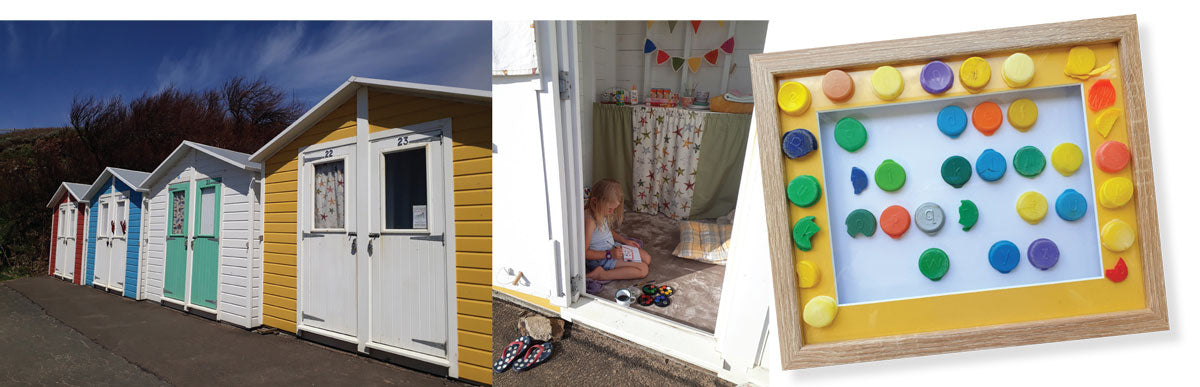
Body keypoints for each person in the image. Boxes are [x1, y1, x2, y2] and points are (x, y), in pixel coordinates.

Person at [584, 178, 651, 281]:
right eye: (610, 209)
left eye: (614, 209)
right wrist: (609, 254)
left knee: (647, 258)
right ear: (595, 201)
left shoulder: (600, 211)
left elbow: (607, 231)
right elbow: (585, 253)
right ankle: (601, 275)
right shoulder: (590, 221)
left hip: (612, 248)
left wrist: (624, 240)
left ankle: (612, 264)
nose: (611, 212)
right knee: (643, 269)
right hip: (601, 258)